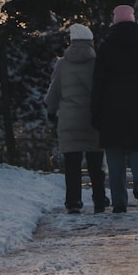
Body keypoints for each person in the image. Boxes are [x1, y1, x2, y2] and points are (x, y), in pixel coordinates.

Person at [90, 5, 138, 213]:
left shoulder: (106, 46)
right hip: (137, 103)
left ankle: (119, 202)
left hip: (111, 104)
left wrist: (94, 111)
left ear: (114, 21)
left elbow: (98, 82)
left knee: (114, 154)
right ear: (133, 21)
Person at [45, 23, 107, 214]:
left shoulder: (62, 64)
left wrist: (51, 111)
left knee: (72, 165)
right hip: (93, 120)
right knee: (96, 163)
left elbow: (53, 92)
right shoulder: (97, 63)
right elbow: (103, 90)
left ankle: (73, 201)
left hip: (69, 121)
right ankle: (99, 199)